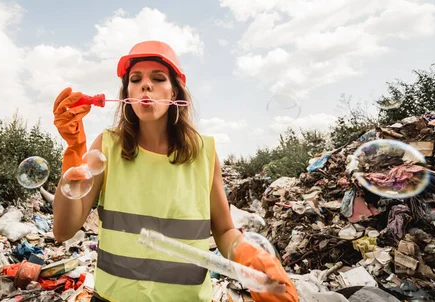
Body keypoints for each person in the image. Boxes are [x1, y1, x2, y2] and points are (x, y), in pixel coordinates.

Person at [51, 40, 298, 302]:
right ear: (127, 93)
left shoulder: (204, 152)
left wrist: (250, 258)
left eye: (158, 78)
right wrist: (74, 153)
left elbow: (224, 232)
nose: (145, 85)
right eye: (135, 79)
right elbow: (63, 230)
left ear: (174, 93)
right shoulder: (108, 145)